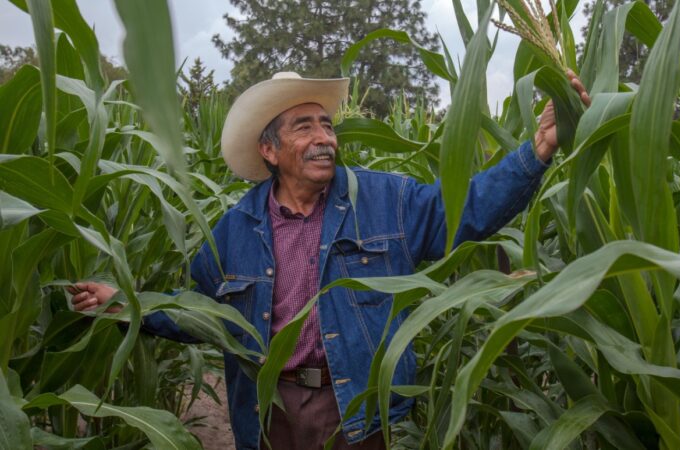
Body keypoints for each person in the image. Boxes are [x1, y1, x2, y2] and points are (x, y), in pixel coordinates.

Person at [70, 71, 590, 450]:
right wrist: (128, 305)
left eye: (326, 125)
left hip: (362, 413)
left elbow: (467, 211)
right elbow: (200, 312)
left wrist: (538, 150)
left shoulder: (389, 200)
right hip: (270, 413)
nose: (324, 138)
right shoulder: (232, 230)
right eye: (304, 128)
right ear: (269, 151)